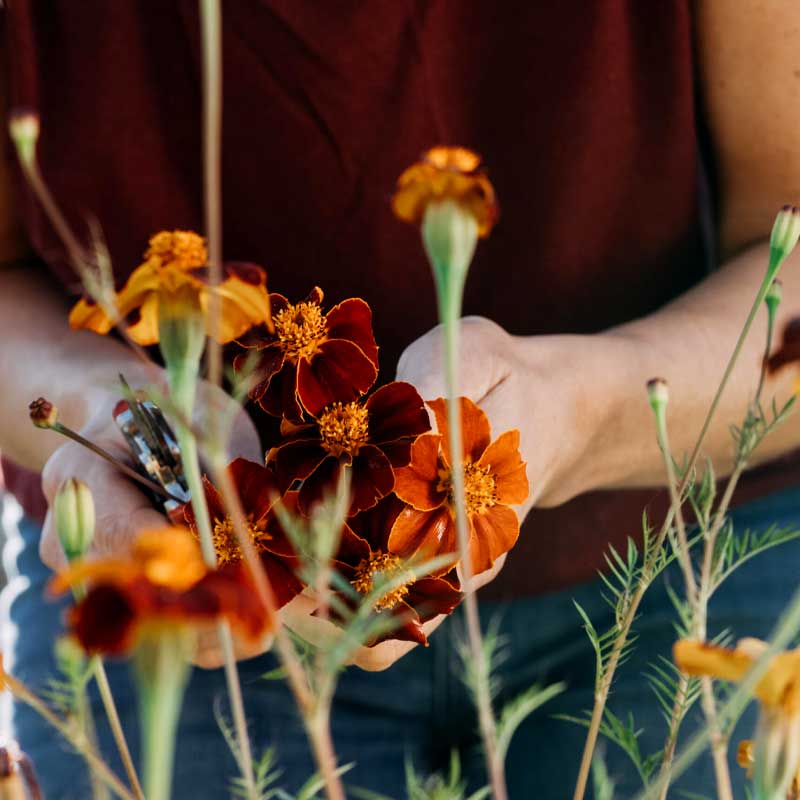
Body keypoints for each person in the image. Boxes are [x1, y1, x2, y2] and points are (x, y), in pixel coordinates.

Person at [1, 2, 800, 797]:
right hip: (183, 572)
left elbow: (788, 246)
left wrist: (582, 409)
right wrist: (117, 420)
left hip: (678, 555)